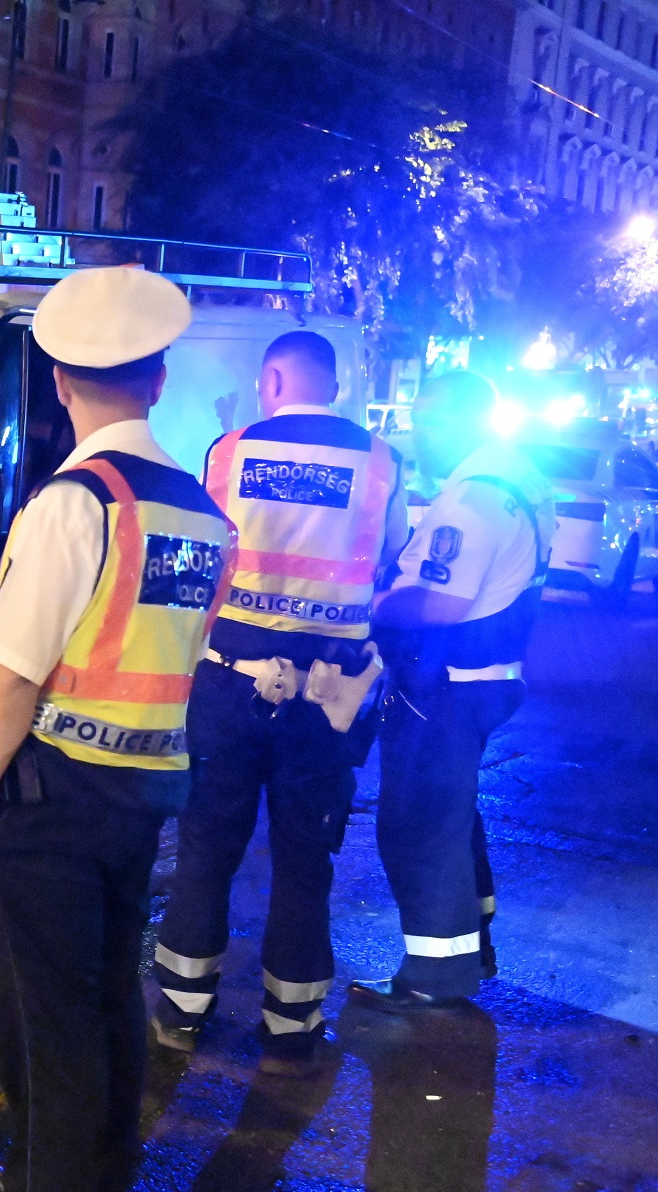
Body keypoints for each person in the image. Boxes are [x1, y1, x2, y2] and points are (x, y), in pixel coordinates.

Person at [0, 267, 235, 1192]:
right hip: (137, 799)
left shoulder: (77, 504)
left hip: (48, 803)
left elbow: (12, 673)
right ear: (158, 380)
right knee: (105, 1021)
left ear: (61, 382)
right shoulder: (198, 513)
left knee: (44, 1052)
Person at [149, 331, 407, 1075]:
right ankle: (292, 1022)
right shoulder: (380, 461)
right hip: (327, 698)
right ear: (335, 387)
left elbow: (200, 552)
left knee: (206, 847)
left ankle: (182, 1008)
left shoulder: (229, 451)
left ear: (272, 380)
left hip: (230, 682)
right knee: (304, 857)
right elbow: (388, 554)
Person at [352, 371, 552, 1010]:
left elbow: (441, 603)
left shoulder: (473, 499)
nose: (419, 432)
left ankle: (433, 978)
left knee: (418, 826)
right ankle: (472, 946)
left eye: (432, 419)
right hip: (484, 681)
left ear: (468, 420)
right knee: (452, 816)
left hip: (445, 689)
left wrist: (374, 605)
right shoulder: (518, 477)